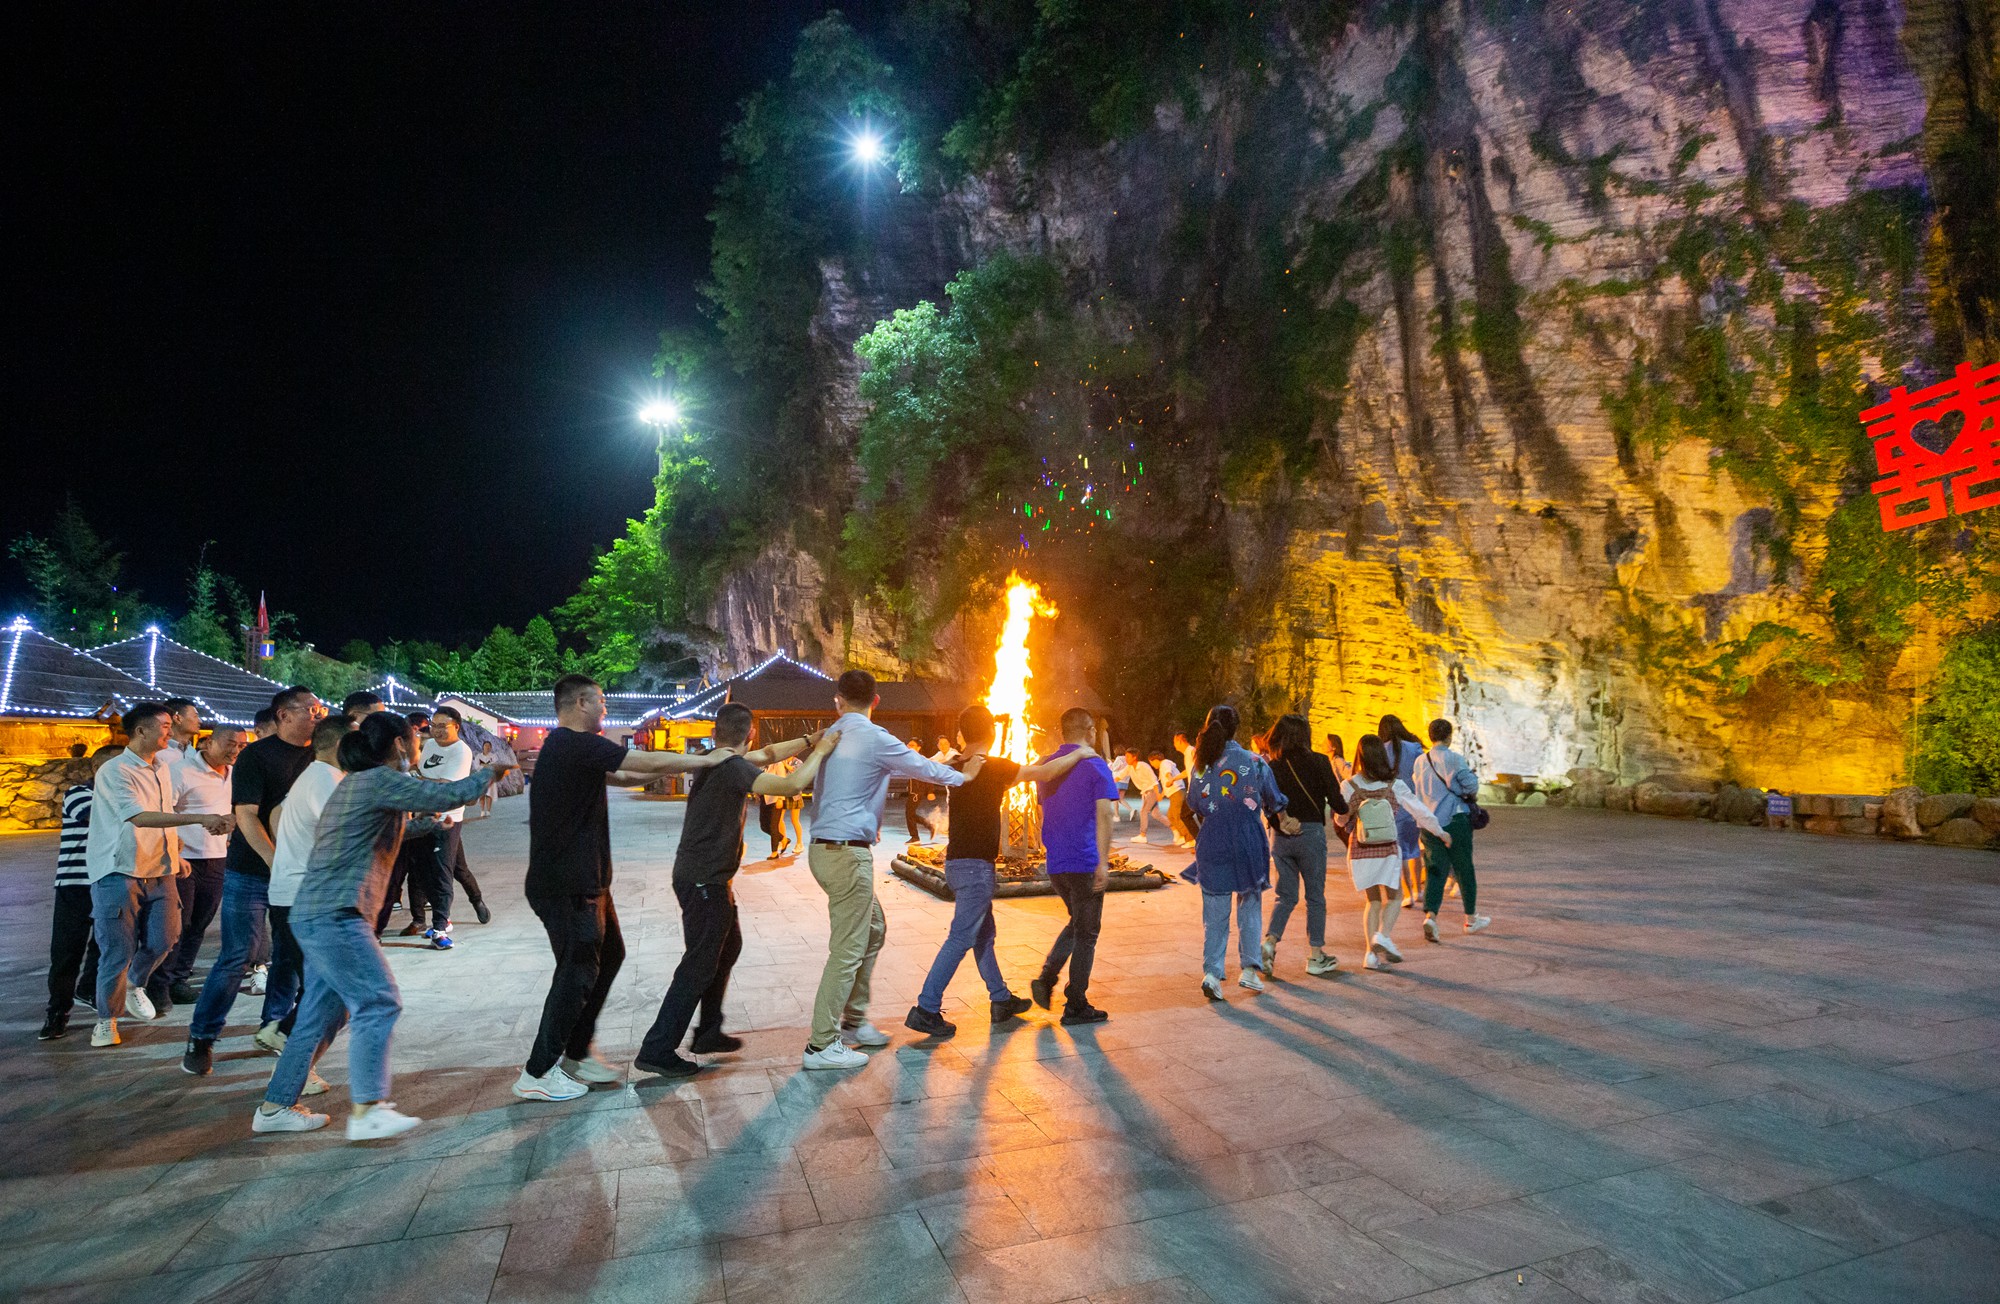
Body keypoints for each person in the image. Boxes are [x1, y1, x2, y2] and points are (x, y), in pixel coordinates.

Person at [250, 711, 503, 1138]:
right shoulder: (378, 779)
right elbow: (447, 794)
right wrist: (494, 769)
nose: (421, 745)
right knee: (380, 1001)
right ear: (401, 745)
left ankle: (275, 1107)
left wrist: (423, 825)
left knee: (320, 1015)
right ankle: (368, 1108)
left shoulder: (358, 782)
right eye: (416, 740)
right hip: (336, 914)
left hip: (318, 911)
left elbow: (376, 831)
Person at [516, 674, 724, 1101]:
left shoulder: (569, 750)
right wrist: (702, 760)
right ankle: (537, 1072)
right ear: (579, 703)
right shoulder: (576, 743)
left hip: (583, 882)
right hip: (568, 885)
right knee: (577, 973)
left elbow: (627, 775)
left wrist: (678, 770)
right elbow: (641, 761)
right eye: (602, 702)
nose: (606, 709)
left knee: (609, 956)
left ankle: (576, 1052)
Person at [633, 705, 836, 1077]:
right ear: (751, 733)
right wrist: (821, 752)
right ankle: (657, 1048)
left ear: (716, 732)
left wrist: (809, 741)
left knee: (728, 946)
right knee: (698, 963)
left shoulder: (716, 760)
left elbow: (770, 755)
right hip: (704, 880)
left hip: (704, 876)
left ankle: (709, 1032)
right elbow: (791, 785)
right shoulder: (733, 768)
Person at [801, 669, 972, 1069]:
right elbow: (925, 768)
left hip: (828, 848)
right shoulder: (874, 737)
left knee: (872, 930)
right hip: (846, 854)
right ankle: (821, 1045)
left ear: (837, 700)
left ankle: (854, 1021)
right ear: (876, 701)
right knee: (847, 949)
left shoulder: (834, 732)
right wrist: (967, 777)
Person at [906, 704, 1095, 1038]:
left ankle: (1001, 999)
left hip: (956, 863)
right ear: (992, 733)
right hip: (976, 869)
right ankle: (926, 1007)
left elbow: (1028, 771)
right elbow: (1047, 773)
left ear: (963, 734)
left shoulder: (957, 765)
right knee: (961, 938)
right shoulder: (993, 767)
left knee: (983, 936)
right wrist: (1080, 753)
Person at [181, 686, 317, 1075]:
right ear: (284, 715)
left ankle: (272, 1029)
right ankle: (202, 1036)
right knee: (238, 955)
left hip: (297, 876)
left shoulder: (318, 757)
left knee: (288, 958)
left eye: (319, 709)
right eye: (310, 709)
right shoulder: (256, 756)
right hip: (251, 871)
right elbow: (246, 815)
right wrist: (277, 860)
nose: (316, 715)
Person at [87, 704, 231, 1048]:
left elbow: (165, 814)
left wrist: (176, 851)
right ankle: (106, 1021)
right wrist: (199, 819)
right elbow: (139, 817)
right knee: (117, 950)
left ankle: (137, 982)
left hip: (161, 866)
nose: (172, 732)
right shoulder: (115, 770)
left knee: (167, 938)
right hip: (119, 869)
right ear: (141, 731)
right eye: (165, 726)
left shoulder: (163, 768)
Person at [261, 712, 357, 1057]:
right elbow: (348, 835)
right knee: (331, 987)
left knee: (320, 985)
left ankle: (287, 1040)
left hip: (292, 891)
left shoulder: (313, 776)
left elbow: (277, 813)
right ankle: (287, 1038)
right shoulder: (327, 780)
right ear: (341, 743)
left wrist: (287, 851)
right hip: (306, 897)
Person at [1184, 705, 1295, 999]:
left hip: (1213, 841)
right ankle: (1248, 970)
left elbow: (1194, 802)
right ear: (1237, 728)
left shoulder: (1201, 764)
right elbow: (1274, 800)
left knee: (1215, 913)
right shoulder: (1256, 761)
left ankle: (1212, 973)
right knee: (1249, 906)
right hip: (1248, 841)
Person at [1029, 707, 1120, 1024]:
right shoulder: (1096, 766)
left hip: (1057, 863)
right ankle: (1076, 1004)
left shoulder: (1047, 767)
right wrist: (1103, 862)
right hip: (1084, 860)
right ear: (1090, 730)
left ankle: (1047, 978)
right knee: (1087, 934)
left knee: (1078, 922)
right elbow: (1106, 814)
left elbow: (1046, 811)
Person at [1341, 734, 1449, 971]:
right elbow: (1419, 810)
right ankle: (1383, 936)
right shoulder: (1395, 785)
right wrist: (1440, 831)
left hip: (1361, 851)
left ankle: (1370, 955)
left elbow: (1340, 821)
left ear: (1359, 757)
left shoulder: (1349, 786)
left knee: (1373, 901)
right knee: (1396, 897)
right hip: (1388, 849)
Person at [158, 723, 245, 1007]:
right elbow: (162, 813)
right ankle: (160, 982)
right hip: (184, 861)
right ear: (208, 743)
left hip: (217, 858)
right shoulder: (181, 771)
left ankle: (178, 979)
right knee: (177, 924)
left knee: (200, 923)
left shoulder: (236, 775)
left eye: (241, 746)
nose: (235, 750)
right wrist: (174, 852)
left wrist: (232, 824)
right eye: (230, 743)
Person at [39, 745, 122, 1041]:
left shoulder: (128, 797)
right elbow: (94, 818)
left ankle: (88, 989)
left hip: (110, 879)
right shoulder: (79, 793)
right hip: (75, 884)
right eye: (118, 766)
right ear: (99, 769)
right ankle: (57, 1012)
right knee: (66, 952)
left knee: (107, 946)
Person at [1262, 714, 1345, 978]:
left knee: (1285, 896)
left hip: (1281, 835)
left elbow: (1266, 803)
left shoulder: (1272, 766)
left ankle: (1269, 942)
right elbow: (1337, 801)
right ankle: (1316, 955)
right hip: (1310, 834)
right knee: (1315, 897)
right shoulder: (1320, 761)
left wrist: (1280, 822)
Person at [415, 705, 489, 938]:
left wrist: (419, 781)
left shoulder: (461, 751)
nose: (436, 730)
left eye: (442, 726)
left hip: (449, 818)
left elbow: (448, 785)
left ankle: (442, 922)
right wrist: (425, 780)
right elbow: (424, 775)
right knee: (456, 868)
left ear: (456, 727)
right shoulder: (429, 746)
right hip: (426, 814)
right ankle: (474, 900)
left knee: (442, 871)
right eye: (433, 725)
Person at [1413, 718, 1490, 940]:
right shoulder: (1455, 759)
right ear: (1449, 736)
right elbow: (1471, 785)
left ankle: (1430, 916)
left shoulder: (1420, 761)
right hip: (1455, 819)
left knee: (1435, 870)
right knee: (1464, 869)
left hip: (1429, 822)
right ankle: (1471, 919)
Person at [1379, 714, 1427, 908]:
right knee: (1414, 849)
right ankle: (1419, 890)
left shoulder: (1382, 750)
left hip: (1392, 805)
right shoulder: (1414, 747)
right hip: (1412, 802)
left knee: (1398, 851)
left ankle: (1407, 893)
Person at [1122, 747, 1162, 843]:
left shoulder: (1143, 766)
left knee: (1143, 811)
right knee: (1156, 814)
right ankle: (1176, 829)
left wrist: (1158, 794)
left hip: (1152, 789)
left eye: (1128, 757)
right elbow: (1119, 776)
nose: (1126, 759)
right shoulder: (1129, 768)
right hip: (1146, 791)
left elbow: (1154, 780)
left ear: (1134, 757)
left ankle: (1142, 835)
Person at [1169, 729, 1200, 846]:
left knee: (1185, 815)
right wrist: (1173, 779)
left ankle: (1198, 841)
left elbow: (1199, 769)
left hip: (1196, 790)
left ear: (1180, 740)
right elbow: (1188, 772)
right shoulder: (1188, 753)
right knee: (1198, 817)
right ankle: (1201, 841)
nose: (1174, 745)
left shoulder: (1191, 752)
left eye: (1175, 742)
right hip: (1195, 790)